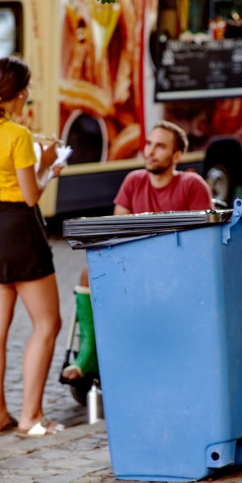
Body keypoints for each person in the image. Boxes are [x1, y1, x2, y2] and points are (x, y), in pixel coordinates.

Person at [60, 121, 214, 382]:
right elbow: (116, 234)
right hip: (134, 266)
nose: (150, 151)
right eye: (149, 143)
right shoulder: (134, 181)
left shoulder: (192, 185)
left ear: (176, 156)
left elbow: (203, 245)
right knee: (89, 272)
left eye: (160, 146)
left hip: (177, 273)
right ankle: (89, 353)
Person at [0, 57, 67, 437]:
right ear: (22, 93)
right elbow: (31, 196)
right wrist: (48, 166)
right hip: (20, 231)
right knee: (48, 324)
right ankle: (31, 417)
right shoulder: (18, 136)